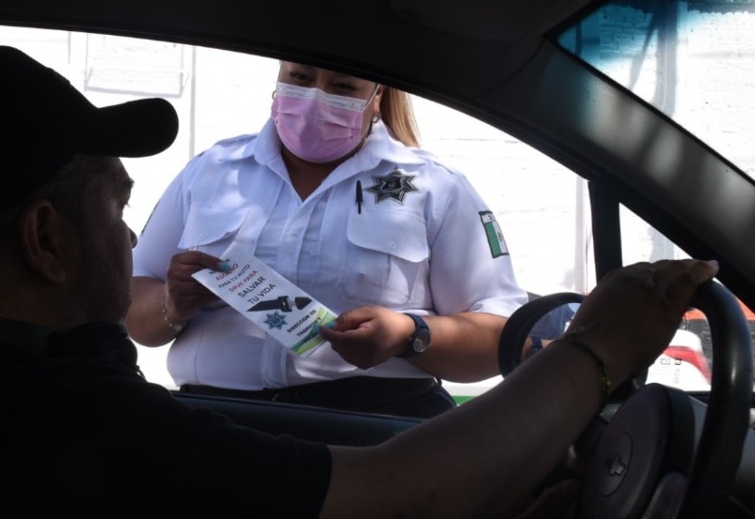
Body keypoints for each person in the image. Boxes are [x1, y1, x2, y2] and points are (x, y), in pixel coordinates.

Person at [0, 45, 719, 519]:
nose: (130, 238)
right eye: (114, 207)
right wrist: (597, 350)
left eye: (340, 82)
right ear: (46, 240)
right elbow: (394, 504)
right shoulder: (73, 433)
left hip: (368, 420)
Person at [126, 61, 527, 417]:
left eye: (342, 86)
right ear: (278, 77)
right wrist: (170, 305)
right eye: (300, 78)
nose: (315, 97)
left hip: (369, 428)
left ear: (377, 95)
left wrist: (409, 335)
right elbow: (130, 300)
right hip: (217, 422)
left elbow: (500, 336)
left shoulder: (435, 187)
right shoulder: (212, 170)